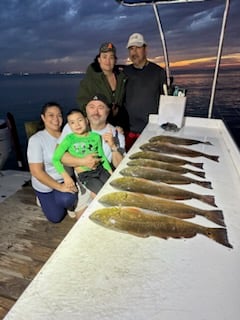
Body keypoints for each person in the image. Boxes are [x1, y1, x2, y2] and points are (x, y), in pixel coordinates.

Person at [27, 102, 91, 223]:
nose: (56, 119)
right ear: (43, 117)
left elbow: (90, 129)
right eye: (51, 115)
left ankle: (68, 202)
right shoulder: (36, 140)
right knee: (55, 218)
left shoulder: (69, 134)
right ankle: (41, 199)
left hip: (65, 178)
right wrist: (60, 187)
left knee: (68, 199)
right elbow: (36, 172)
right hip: (45, 184)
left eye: (59, 115)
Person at [52, 108, 112, 196]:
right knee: (103, 193)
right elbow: (55, 159)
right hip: (86, 175)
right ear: (69, 126)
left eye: (80, 120)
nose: (77, 125)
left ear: (86, 120)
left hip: (101, 170)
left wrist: (111, 173)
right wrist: (66, 177)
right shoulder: (69, 139)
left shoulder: (96, 137)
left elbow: (102, 156)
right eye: (72, 123)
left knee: (112, 187)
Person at [124, 33, 167, 150]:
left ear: (145, 49)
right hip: (129, 131)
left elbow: (166, 101)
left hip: (152, 130)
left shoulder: (158, 72)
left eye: (138, 48)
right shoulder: (124, 72)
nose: (134, 52)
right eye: (131, 49)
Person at [60, 94, 125, 169]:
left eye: (100, 107)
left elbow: (120, 167)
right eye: (91, 107)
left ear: (108, 111)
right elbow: (60, 155)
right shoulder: (73, 126)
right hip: (83, 177)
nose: (95, 112)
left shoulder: (117, 134)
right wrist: (83, 162)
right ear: (86, 109)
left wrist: (113, 146)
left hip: (106, 174)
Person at [77, 42, 127, 129]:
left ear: (115, 60)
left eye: (111, 57)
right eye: (104, 57)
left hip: (118, 126)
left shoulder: (121, 78)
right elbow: (82, 103)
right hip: (97, 127)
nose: (108, 61)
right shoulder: (90, 80)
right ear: (99, 59)